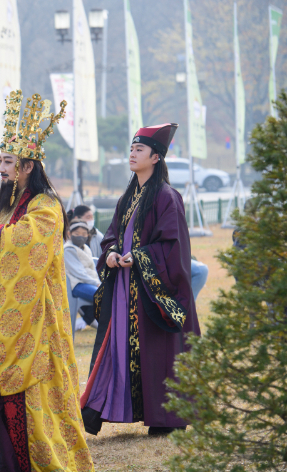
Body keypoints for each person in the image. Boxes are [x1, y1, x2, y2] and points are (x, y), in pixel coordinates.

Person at [0, 91, 93, 471]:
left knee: (38, 397)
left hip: (36, 320)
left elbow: (21, 243)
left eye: (8, 162)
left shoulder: (46, 206)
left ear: (27, 166)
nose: (1, 169)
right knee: (1, 396)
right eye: (0, 161)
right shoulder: (5, 205)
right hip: (2, 323)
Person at [80, 123, 201, 437]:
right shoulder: (128, 197)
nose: (132, 154)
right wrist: (110, 255)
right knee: (117, 347)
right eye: (131, 148)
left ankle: (165, 417)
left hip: (150, 291)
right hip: (124, 288)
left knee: (157, 352)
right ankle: (102, 409)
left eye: (139, 149)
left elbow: (172, 246)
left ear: (156, 157)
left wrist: (140, 257)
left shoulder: (167, 197)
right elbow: (111, 238)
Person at [64, 220, 101, 331]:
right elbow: (79, 273)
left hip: (89, 283)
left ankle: (85, 320)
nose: (81, 236)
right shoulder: (68, 250)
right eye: (77, 233)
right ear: (69, 234)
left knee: (106, 295)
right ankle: (88, 321)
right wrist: (97, 283)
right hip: (77, 285)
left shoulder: (86, 248)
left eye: (84, 234)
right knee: (103, 296)